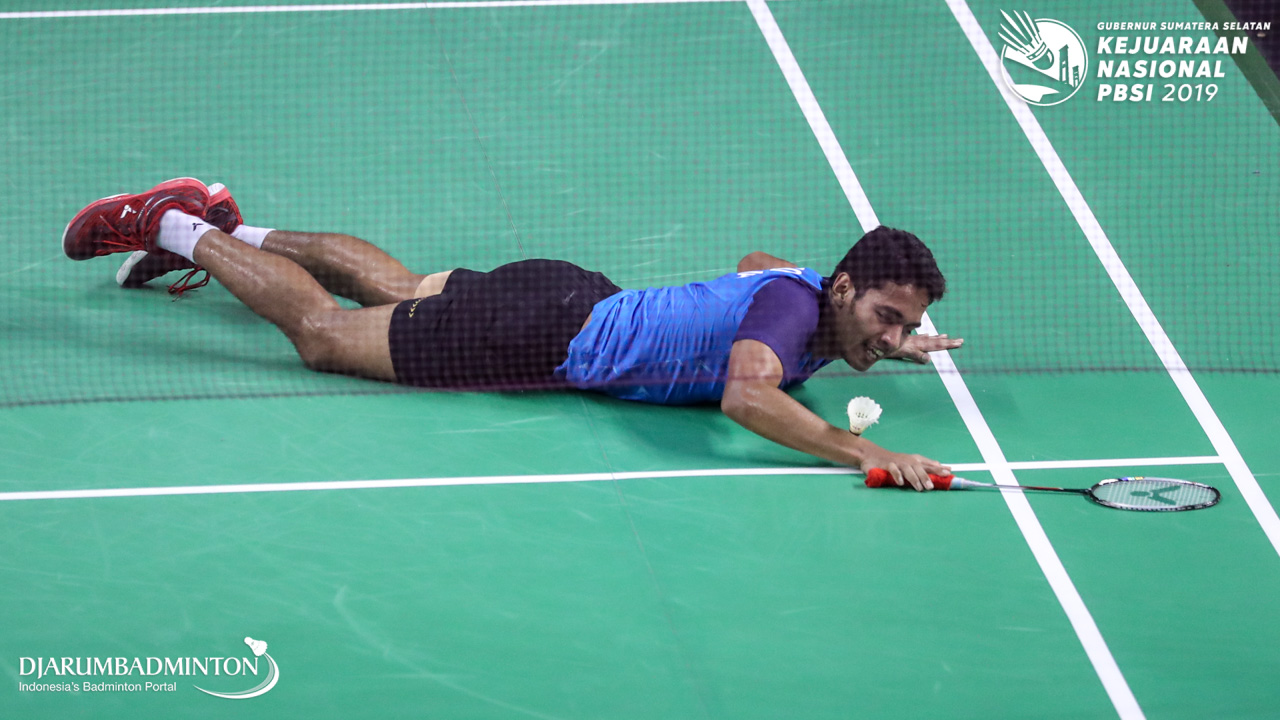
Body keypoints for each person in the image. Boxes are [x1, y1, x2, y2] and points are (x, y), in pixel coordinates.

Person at [63, 178, 964, 491]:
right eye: (885, 316)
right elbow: (746, 393)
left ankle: (234, 227)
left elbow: (755, 262)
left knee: (401, 286)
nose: (894, 335)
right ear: (842, 287)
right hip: (536, 338)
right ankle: (173, 224)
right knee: (325, 335)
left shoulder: (800, 289)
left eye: (909, 324)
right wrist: (861, 451)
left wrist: (884, 339)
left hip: (569, 293)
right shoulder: (794, 316)